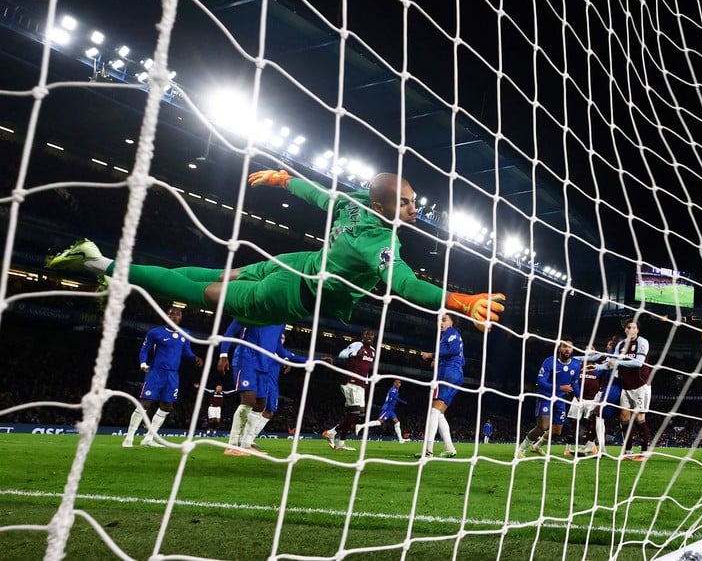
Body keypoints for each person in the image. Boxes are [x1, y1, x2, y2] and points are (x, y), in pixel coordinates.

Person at [45, 171, 505, 331]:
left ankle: (112, 267)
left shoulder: (350, 204)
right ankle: (97, 260)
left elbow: (315, 193)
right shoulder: (379, 238)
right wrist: (457, 301)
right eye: (404, 202)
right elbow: (402, 283)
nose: (413, 208)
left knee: (218, 274)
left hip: (297, 264)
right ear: (382, 205)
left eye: (413, 200)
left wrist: (282, 179)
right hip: (293, 294)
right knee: (200, 294)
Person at [218, 320, 319, 456]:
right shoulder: (252, 310)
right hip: (246, 360)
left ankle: (246, 445)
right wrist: (223, 355)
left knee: (261, 404)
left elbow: (279, 348)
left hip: (263, 365)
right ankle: (231, 445)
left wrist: (314, 360)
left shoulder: (281, 322)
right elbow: (230, 332)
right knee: (248, 400)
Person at [122, 306, 204, 447]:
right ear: (166, 316)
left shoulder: (185, 333)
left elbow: (186, 351)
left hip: (173, 375)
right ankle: (129, 438)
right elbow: (144, 350)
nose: (174, 317)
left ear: (181, 317)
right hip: (156, 372)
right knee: (145, 403)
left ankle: (148, 439)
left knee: (167, 406)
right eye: (171, 314)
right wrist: (143, 364)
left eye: (177, 315)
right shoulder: (155, 333)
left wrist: (194, 357)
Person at [516, 339, 581, 458]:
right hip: (545, 397)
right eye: (564, 346)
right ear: (559, 348)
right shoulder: (549, 362)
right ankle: (521, 449)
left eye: (570, 347)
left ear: (573, 350)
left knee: (557, 431)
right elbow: (540, 382)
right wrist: (560, 387)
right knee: (543, 426)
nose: (567, 349)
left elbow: (575, 383)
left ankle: (537, 446)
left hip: (560, 400)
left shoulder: (576, 364)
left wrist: (579, 396)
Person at [416, 314, 465, 459]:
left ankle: (428, 450)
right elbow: (461, 358)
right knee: (440, 414)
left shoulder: (451, 332)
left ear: (452, 322)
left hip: (448, 373)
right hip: (457, 374)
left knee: (433, 410)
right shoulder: (451, 335)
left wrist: (431, 355)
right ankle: (449, 447)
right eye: (439, 320)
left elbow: (455, 350)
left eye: (444, 320)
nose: (441, 323)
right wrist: (439, 360)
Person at [323, 328, 378, 451]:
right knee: (354, 413)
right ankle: (332, 432)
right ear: (363, 336)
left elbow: (367, 369)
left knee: (358, 414)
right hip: (351, 382)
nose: (369, 336)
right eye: (367, 334)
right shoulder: (357, 345)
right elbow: (341, 354)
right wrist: (353, 354)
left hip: (361, 385)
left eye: (372, 335)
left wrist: (367, 381)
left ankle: (340, 442)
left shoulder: (373, 351)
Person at [605, 320, 652, 461]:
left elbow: (638, 362)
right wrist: (595, 367)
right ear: (625, 329)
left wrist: (617, 362)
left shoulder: (643, 342)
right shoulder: (621, 345)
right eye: (628, 327)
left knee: (639, 418)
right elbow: (611, 361)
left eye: (634, 327)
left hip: (641, 385)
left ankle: (644, 452)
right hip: (626, 385)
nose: (631, 330)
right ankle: (628, 451)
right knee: (624, 417)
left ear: (637, 330)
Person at [355, 379, 408, 443]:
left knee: (397, 422)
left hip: (391, 409)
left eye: (399, 383)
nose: (398, 384)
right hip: (387, 408)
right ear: (394, 383)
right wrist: (402, 401)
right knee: (379, 422)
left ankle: (400, 439)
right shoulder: (393, 389)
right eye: (396, 382)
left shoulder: (396, 390)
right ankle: (360, 426)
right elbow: (392, 396)